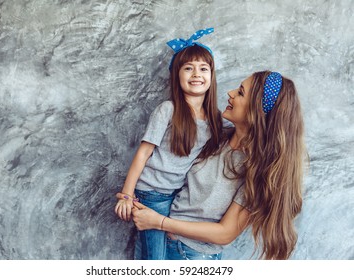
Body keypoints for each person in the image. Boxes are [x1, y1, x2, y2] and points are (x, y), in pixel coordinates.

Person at [128, 71, 306, 260]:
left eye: (240, 93)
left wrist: (160, 222)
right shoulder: (217, 136)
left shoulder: (256, 169)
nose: (230, 93)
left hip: (190, 255)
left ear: (256, 112)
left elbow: (225, 233)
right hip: (158, 236)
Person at [114, 28, 223, 260]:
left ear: (212, 76)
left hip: (178, 195)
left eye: (203, 68)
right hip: (152, 193)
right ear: (177, 75)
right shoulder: (168, 110)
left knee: (158, 253)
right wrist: (126, 194)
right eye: (188, 68)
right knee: (156, 258)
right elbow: (143, 154)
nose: (196, 74)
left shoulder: (214, 117)